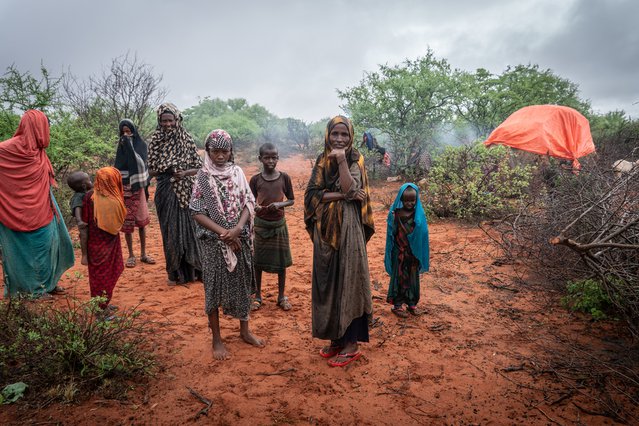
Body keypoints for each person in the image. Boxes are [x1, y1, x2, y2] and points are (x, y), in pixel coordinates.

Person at [304, 115, 375, 368]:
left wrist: (343, 161)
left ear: (351, 136)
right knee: (329, 281)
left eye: (344, 134)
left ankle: (351, 343)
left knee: (350, 281)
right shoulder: (322, 160)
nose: (339, 139)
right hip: (326, 232)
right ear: (328, 135)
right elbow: (312, 196)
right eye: (335, 134)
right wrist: (341, 195)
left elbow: (351, 188)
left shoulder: (356, 158)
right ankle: (336, 338)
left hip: (349, 229)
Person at [190, 129, 264, 360]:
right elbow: (196, 211)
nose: (220, 156)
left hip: (239, 237)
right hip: (214, 242)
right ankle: (217, 339)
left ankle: (245, 331)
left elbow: (248, 202)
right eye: (215, 151)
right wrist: (225, 233)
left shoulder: (237, 173)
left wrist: (238, 229)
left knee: (242, 283)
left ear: (231, 151)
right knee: (213, 288)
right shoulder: (202, 176)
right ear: (208, 151)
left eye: (224, 151)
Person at [0, 110, 74, 298]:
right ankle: (34, 290)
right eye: (46, 126)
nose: (48, 130)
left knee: (51, 244)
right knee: (29, 250)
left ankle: (48, 283)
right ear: (37, 128)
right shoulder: (5, 150)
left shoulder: (38, 150)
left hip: (43, 206)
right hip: (15, 209)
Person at [148, 103, 202, 285]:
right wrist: (167, 169)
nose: (167, 124)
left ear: (177, 120)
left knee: (191, 230)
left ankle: (195, 271)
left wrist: (184, 173)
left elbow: (199, 167)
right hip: (166, 191)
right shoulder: (156, 140)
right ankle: (176, 273)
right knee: (170, 231)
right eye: (164, 121)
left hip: (187, 190)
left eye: (170, 120)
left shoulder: (186, 138)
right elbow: (152, 170)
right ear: (159, 121)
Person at [249, 143, 295, 311]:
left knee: (281, 263)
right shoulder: (255, 180)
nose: (270, 160)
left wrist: (279, 204)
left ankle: (281, 296)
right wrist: (256, 207)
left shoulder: (284, 178)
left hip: (279, 225)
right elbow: (249, 200)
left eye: (273, 157)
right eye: (266, 157)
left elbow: (291, 200)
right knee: (258, 262)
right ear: (260, 158)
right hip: (261, 226)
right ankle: (258, 296)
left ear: (278, 158)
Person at [79, 167, 126, 316]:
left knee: (100, 276)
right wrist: (84, 254)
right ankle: (100, 310)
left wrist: (85, 252)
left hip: (96, 244)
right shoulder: (115, 198)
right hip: (105, 244)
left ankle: (103, 303)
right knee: (104, 275)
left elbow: (84, 226)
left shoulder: (90, 197)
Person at [384, 183, 430, 318]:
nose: (410, 203)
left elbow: (423, 234)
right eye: (406, 200)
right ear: (401, 200)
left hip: (413, 254)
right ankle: (397, 305)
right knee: (398, 278)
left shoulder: (419, 215)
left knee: (412, 279)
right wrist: (392, 219)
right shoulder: (395, 214)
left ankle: (412, 304)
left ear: (417, 200)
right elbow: (391, 233)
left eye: (413, 200)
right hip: (399, 253)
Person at [113, 119, 155, 268]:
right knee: (127, 223)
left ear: (133, 130)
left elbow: (141, 163)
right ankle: (131, 255)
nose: (126, 134)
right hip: (125, 189)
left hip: (139, 188)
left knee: (142, 222)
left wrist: (129, 147)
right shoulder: (121, 146)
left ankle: (143, 254)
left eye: (128, 131)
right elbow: (117, 167)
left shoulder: (141, 145)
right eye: (123, 132)